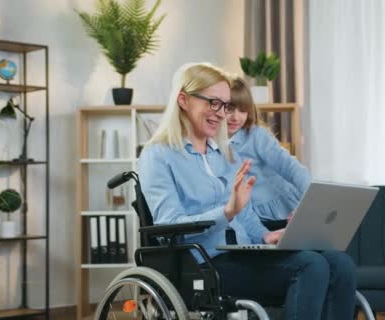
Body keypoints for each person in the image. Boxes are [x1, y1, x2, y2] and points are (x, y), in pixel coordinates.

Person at [138, 62, 357, 320]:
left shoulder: (225, 155)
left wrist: (265, 236)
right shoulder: (158, 156)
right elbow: (168, 225)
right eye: (213, 103)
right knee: (311, 267)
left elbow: (247, 217)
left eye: (225, 104)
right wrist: (226, 212)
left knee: (340, 263)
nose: (221, 113)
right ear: (184, 100)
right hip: (204, 264)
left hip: (241, 254)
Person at [227, 77, 311, 229]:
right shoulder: (212, 145)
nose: (235, 117)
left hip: (283, 210)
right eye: (230, 108)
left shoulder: (256, 135)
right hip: (253, 218)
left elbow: (290, 166)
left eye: (242, 110)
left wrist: (310, 199)